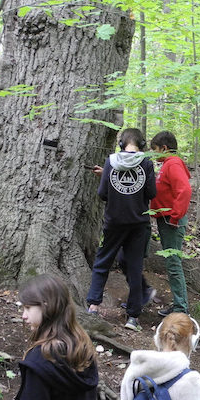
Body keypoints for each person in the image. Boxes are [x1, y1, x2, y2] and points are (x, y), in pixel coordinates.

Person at [86, 128, 156, 331]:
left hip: (114, 222)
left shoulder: (111, 161)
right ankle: (132, 317)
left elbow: (102, 194)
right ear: (141, 144)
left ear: (121, 144)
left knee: (102, 262)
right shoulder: (146, 163)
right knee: (134, 269)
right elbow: (151, 191)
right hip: (138, 224)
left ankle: (92, 305)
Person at [149, 131, 192, 317]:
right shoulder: (167, 164)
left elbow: (184, 190)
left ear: (164, 148)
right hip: (165, 219)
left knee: (174, 264)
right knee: (171, 262)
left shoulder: (173, 163)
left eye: (156, 150)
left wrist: (175, 217)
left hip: (171, 221)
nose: (154, 154)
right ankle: (179, 305)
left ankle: (181, 308)